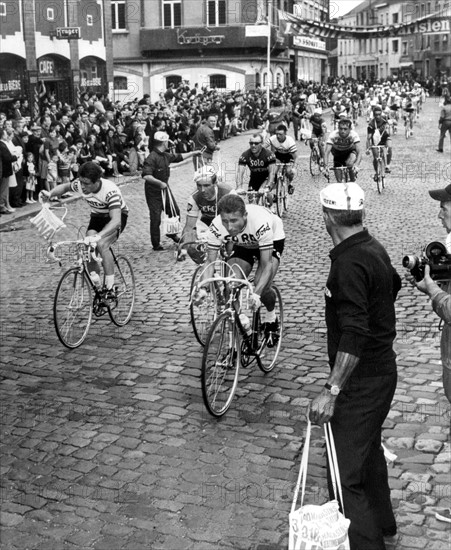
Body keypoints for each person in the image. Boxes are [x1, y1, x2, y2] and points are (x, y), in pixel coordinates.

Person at [309, 181, 402, 550]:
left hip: (362, 382)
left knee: (344, 475)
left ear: (328, 216)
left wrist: (331, 391)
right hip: (382, 374)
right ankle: (385, 528)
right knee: (369, 456)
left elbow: (354, 333)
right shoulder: (372, 246)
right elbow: (393, 283)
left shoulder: (347, 263)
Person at [194, 193, 285, 344]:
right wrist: (203, 287)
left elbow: (267, 264)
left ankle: (271, 317)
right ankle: (242, 322)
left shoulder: (259, 222)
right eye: (225, 221)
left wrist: (256, 294)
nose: (229, 227)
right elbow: (210, 261)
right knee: (231, 283)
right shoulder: (217, 226)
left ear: (245, 216)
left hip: (272, 239)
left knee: (261, 284)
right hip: (243, 243)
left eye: (234, 220)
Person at [40, 161, 129, 300]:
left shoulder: (110, 191)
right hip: (97, 216)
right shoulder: (81, 185)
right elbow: (65, 187)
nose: (82, 187)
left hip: (116, 217)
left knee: (101, 244)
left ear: (97, 181)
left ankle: (110, 288)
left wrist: (99, 236)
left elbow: (116, 220)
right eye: (81, 182)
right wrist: (50, 193)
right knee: (88, 247)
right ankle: (98, 286)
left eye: (86, 183)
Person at [141, 130, 201, 251]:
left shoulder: (165, 155)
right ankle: (156, 244)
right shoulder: (152, 158)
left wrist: (194, 153)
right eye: (167, 142)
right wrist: (159, 183)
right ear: (163, 143)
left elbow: (179, 157)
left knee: (174, 211)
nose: (168, 144)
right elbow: (146, 176)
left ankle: (171, 233)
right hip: (153, 192)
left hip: (164, 189)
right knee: (155, 217)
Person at [179, 165, 232, 262]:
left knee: (231, 250)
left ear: (215, 183)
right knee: (192, 247)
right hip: (207, 221)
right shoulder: (195, 197)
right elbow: (189, 227)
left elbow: (236, 221)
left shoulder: (228, 193)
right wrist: (183, 248)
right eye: (199, 185)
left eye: (207, 185)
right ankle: (208, 270)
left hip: (226, 222)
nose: (202, 190)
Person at [236, 133, 276, 201]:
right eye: (251, 143)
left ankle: (270, 205)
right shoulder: (245, 155)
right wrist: (239, 187)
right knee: (252, 200)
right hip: (254, 179)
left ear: (262, 143)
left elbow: (272, 173)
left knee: (264, 192)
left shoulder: (269, 155)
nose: (253, 145)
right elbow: (240, 173)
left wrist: (267, 186)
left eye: (256, 143)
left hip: (267, 178)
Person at [324, 118, 362, 183]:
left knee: (349, 164)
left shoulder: (353, 135)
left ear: (350, 129)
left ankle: (352, 180)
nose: (343, 131)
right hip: (338, 154)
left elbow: (359, 151)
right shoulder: (333, 135)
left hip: (350, 151)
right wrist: (325, 166)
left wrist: (356, 165)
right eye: (341, 129)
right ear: (338, 128)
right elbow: (326, 152)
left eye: (345, 129)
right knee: (339, 182)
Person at [266, 124, 298, 194]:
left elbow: (296, 157)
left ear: (285, 134)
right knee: (273, 171)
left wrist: (294, 168)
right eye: (276, 134)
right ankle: (273, 187)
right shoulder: (273, 138)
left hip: (289, 157)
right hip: (279, 156)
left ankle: (290, 184)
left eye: (280, 134)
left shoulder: (290, 141)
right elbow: (263, 147)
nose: (278, 136)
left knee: (289, 171)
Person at [366, 105, 393, 176]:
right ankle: (377, 172)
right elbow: (368, 138)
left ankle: (387, 165)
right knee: (376, 158)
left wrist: (391, 123)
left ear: (381, 113)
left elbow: (393, 122)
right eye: (376, 115)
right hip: (375, 141)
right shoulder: (371, 124)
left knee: (389, 147)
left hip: (385, 138)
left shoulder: (385, 118)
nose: (377, 116)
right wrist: (367, 148)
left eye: (379, 114)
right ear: (373, 114)